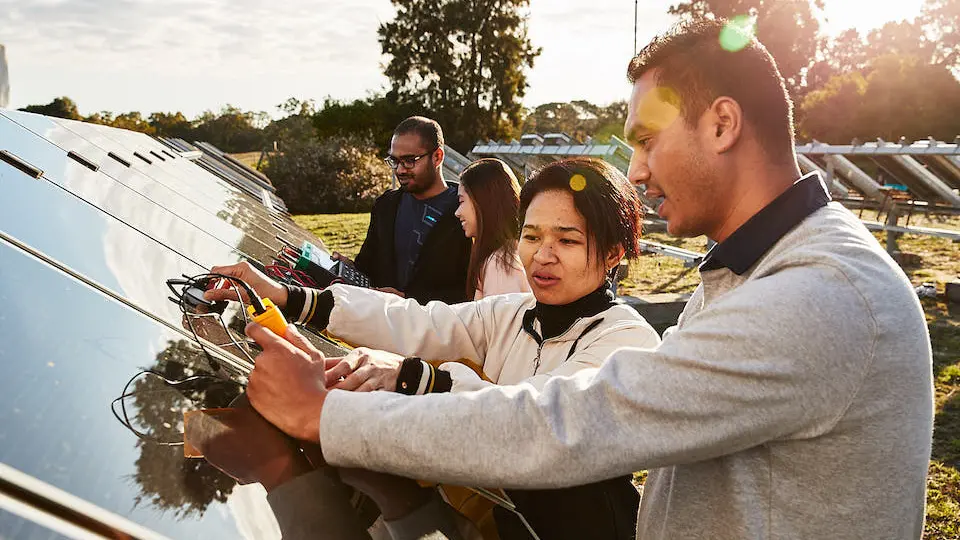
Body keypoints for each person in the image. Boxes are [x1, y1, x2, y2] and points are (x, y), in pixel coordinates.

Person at [242, 19, 933, 540]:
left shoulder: (816, 295)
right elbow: (429, 325)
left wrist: (327, 415)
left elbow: (571, 423)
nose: (635, 171)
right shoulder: (761, 270)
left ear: (722, 123)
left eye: (645, 140)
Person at [205, 158, 659, 539]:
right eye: (533, 235)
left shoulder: (626, 341)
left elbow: (540, 420)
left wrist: (416, 378)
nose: (542, 255)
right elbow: (418, 321)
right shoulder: (512, 313)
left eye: (567, 240)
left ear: (615, 252)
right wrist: (285, 295)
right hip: (500, 516)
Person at [336, 116, 472, 304]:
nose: (399, 170)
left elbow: (472, 293)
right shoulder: (386, 206)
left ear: (437, 156)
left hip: (438, 329)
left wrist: (409, 300)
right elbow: (367, 267)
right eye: (394, 161)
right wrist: (349, 268)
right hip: (381, 325)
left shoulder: (466, 211)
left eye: (409, 160)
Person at [454, 158, 530, 299]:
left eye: (461, 201)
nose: (457, 212)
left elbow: (500, 320)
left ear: (483, 202)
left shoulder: (501, 263)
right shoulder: (507, 255)